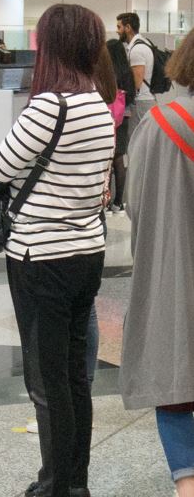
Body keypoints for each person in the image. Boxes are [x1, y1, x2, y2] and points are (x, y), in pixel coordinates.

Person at [0, 4, 114, 497]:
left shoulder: (50, 106)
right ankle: (72, 479)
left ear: (51, 45)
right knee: (74, 374)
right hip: (86, 252)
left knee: (47, 378)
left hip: (42, 255)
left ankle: (59, 484)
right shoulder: (97, 105)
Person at [120, 28, 194, 497]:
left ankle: (186, 481)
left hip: (176, 271)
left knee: (176, 373)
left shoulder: (160, 120)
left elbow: (136, 204)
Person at [105, 37, 136, 214]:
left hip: (108, 118)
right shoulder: (127, 71)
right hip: (124, 117)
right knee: (119, 158)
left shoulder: (107, 73)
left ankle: (106, 203)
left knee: (108, 158)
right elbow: (131, 95)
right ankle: (119, 203)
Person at [116, 12, 156, 129]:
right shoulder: (144, 43)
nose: (117, 31)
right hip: (146, 99)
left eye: (119, 27)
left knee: (134, 140)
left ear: (128, 28)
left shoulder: (137, 50)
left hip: (141, 102)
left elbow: (136, 83)